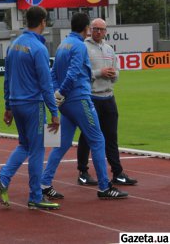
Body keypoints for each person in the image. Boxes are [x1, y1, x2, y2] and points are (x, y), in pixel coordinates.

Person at [41, 13, 128, 200]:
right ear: (86, 28)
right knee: (98, 140)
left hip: (65, 104)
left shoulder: (63, 44)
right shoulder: (80, 46)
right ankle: (105, 187)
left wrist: (56, 94)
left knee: (61, 144)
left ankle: (44, 182)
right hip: (79, 99)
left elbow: (52, 73)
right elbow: (73, 73)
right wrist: (61, 92)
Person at [0, 6, 61, 210]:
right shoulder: (38, 48)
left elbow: (7, 78)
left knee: (24, 145)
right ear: (42, 22)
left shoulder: (14, 45)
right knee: (37, 149)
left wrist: (8, 106)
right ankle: (35, 196)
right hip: (33, 104)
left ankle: (3, 181)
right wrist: (54, 112)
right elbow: (46, 84)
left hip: (16, 102)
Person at [76, 18, 137, 186]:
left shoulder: (109, 49)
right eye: (95, 29)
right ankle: (83, 171)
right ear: (90, 30)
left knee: (111, 136)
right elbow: (80, 73)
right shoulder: (83, 47)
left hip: (108, 97)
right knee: (87, 136)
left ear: (106, 31)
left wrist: (113, 74)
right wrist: (99, 72)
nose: (98, 32)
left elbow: (116, 72)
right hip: (91, 97)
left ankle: (117, 172)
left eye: (102, 29)